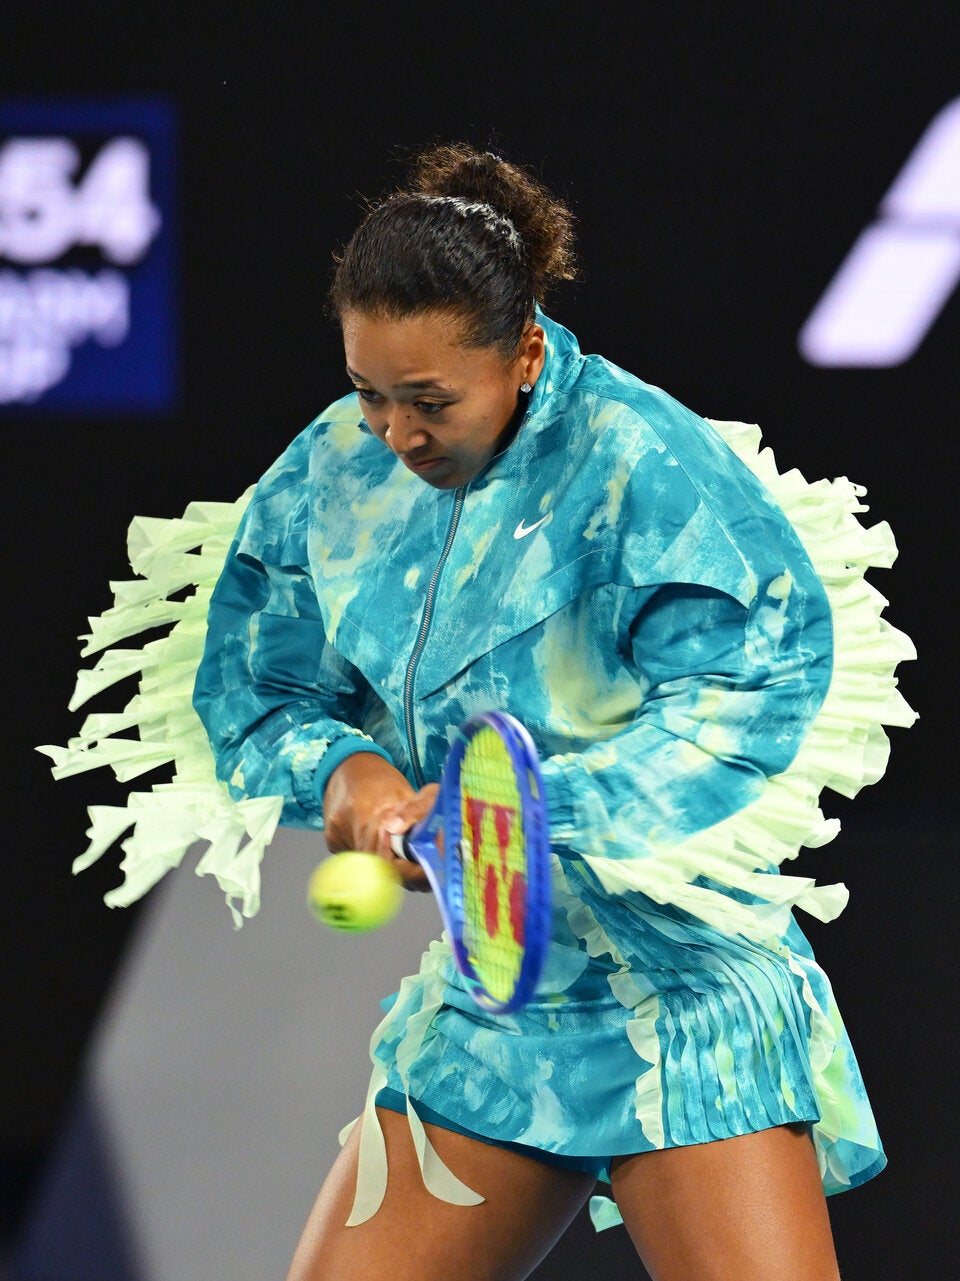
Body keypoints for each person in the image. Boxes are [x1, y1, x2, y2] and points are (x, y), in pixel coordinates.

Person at [59, 144, 912, 1281]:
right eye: (370, 392)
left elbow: (750, 689)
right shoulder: (334, 470)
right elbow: (261, 687)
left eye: (429, 401)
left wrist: (521, 816)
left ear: (521, 354)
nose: (397, 434)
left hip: (684, 1003)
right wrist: (345, 774)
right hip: (496, 1005)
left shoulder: (643, 462)